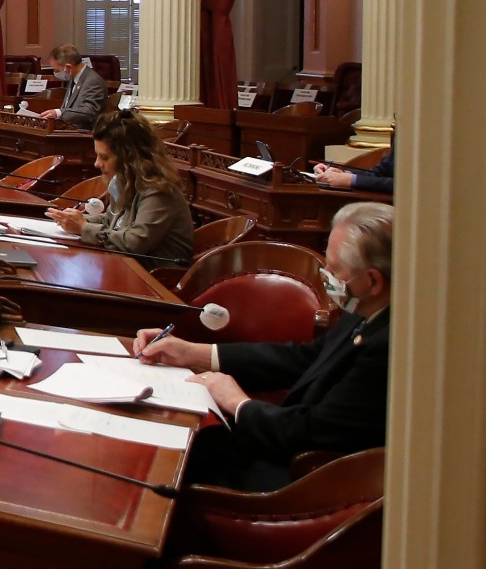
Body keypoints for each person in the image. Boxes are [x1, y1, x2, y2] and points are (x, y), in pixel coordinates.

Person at [135, 202, 392, 490]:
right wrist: (195, 353)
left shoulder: (389, 346)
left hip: (305, 478)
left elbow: (313, 431)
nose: (327, 276)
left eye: (334, 270)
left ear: (372, 280)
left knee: (176, 456)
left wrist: (238, 403)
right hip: (284, 442)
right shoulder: (366, 311)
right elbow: (306, 358)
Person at [50, 109, 195, 264]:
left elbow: (135, 242)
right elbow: (114, 221)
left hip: (155, 279)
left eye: (104, 157)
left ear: (130, 158)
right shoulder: (123, 181)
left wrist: (83, 228)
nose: (97, 163)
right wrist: (74, 220)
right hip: (127, 268)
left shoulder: (158, 190)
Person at [42, 45, 109, 128]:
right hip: (70, 131)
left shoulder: (93, 81)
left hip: (87, 135)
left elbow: (89, 111)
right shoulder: (74, 78)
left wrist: (58, 113)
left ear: (68, 67)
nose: (55, 73)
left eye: (57, 70)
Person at [313, 150, 394, 195]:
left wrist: (350, 180)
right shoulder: (402, 131)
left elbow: (404, 186)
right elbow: (380, 172)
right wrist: (341, 174)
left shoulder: (405, 129)